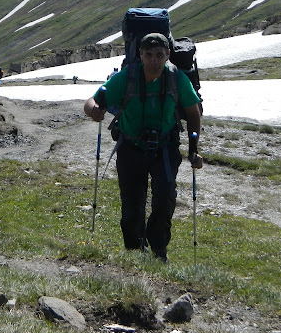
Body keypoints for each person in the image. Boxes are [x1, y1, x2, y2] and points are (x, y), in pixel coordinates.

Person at [84, 32, 202, 263]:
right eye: (149, 55)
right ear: (141, 55)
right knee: (132, 205)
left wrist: (193, 149)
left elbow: (193, 112)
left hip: (166, 147)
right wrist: (95, 110)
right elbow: (92, 101)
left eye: (159, 55)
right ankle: (135, 251)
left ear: (168, 55)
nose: (154, 60)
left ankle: (158, 251)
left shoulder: (176, 78)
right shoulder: (127, 78)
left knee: (164, 199)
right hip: (131, 147)